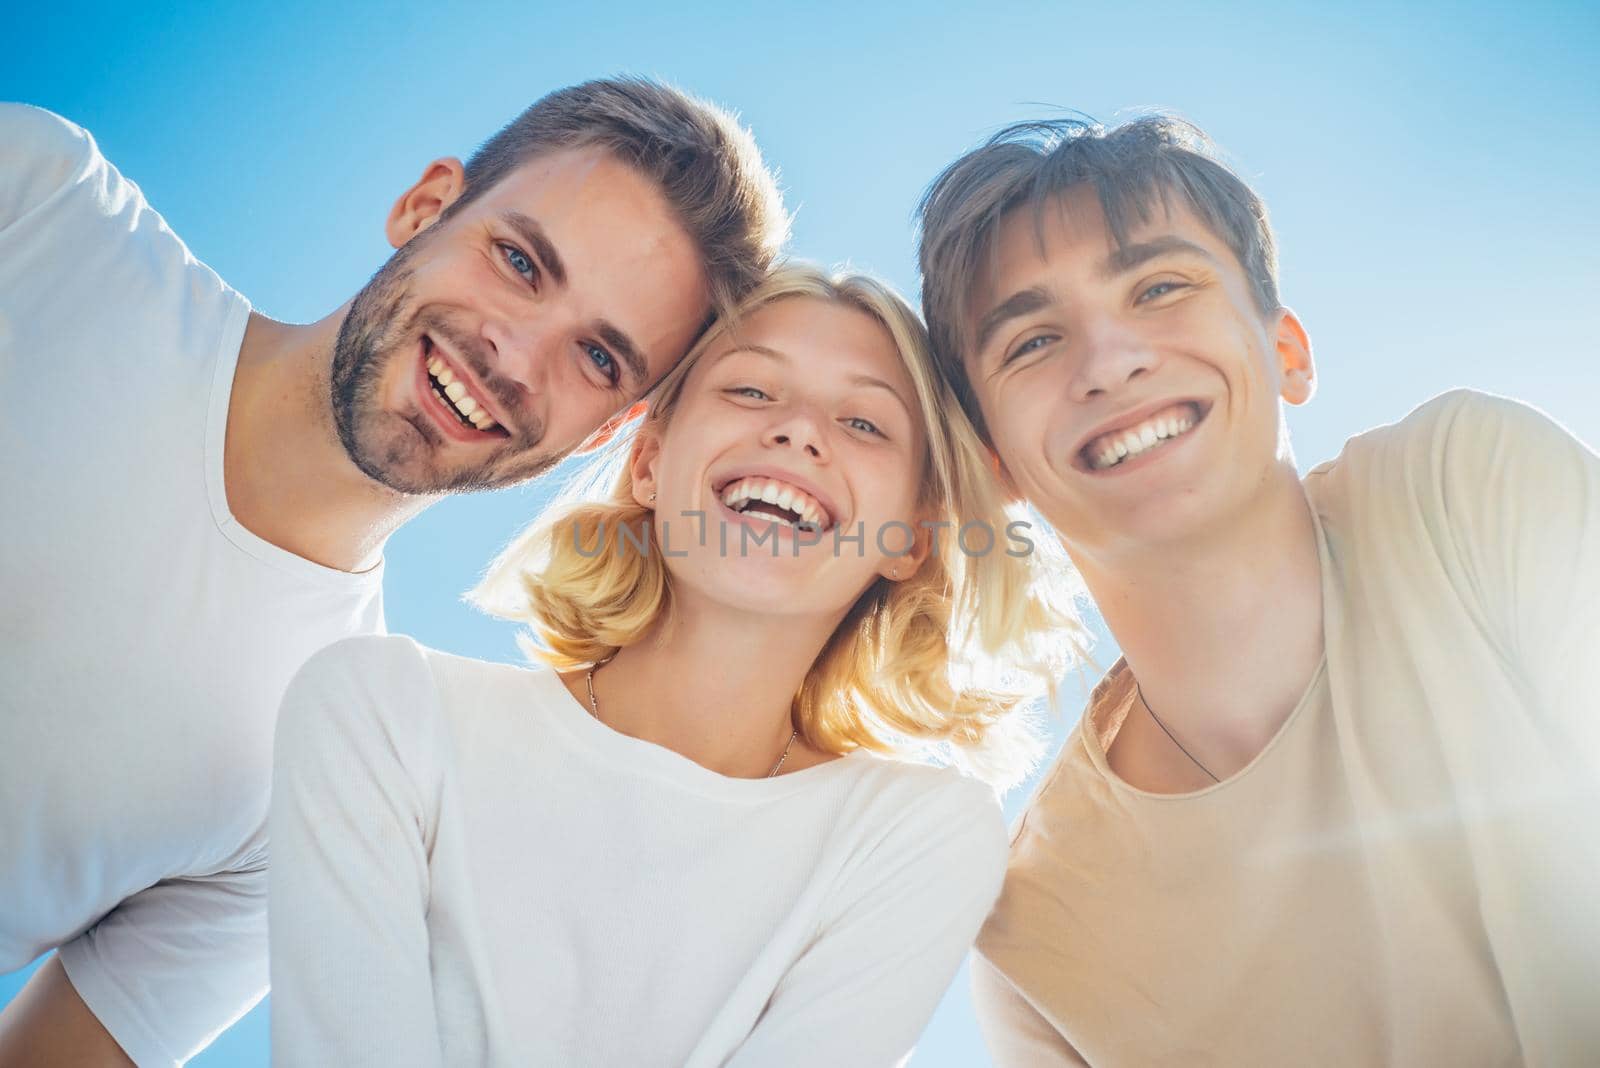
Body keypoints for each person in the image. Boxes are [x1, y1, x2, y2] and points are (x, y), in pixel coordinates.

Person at [0, 77, 786, 1066]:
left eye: (596, 357)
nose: (514, 354)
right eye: (518, 261)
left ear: (614, 428)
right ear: (425, 206)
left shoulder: (324, 777)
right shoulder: (36, 211)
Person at [267, 264, 1084, 1066]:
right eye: (752, 391)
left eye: (865, 424)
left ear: (910, 538)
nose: (798, 430)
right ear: (650, 464)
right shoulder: (387, 713)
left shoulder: (916, 834)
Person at [915, 115, 1600, 1064]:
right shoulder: (1036, 938)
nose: (1109, 362)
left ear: (1289, 352)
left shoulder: (1466, 489)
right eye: (1032, 342)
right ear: (997, 466)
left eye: (1159, 287)